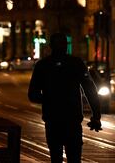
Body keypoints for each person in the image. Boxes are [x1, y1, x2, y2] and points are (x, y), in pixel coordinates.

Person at [28, 32, 102, 162]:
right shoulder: (76, 63)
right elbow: (90, 89)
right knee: (74, 157)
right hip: (71, 119)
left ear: (50, 46)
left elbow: (32, 94)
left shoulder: (43, 65)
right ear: (66, 46)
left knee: (56, 157)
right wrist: (96, 115)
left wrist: (49, 99)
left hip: (53, 120)